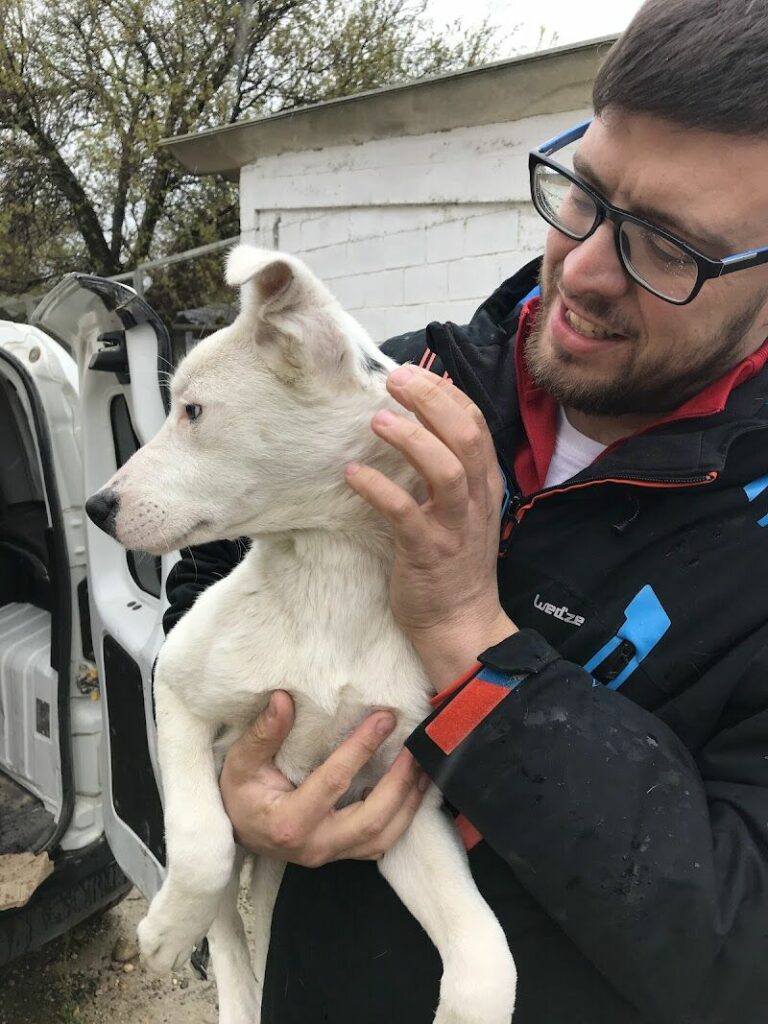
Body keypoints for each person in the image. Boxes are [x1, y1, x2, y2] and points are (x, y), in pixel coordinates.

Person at [164, 1, 768, 1021]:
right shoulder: (405, 381)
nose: (580, 270)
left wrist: (468, 639)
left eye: (668, 249)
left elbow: (739, 951)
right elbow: (208, 572)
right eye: (583, 191)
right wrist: (242, 778)